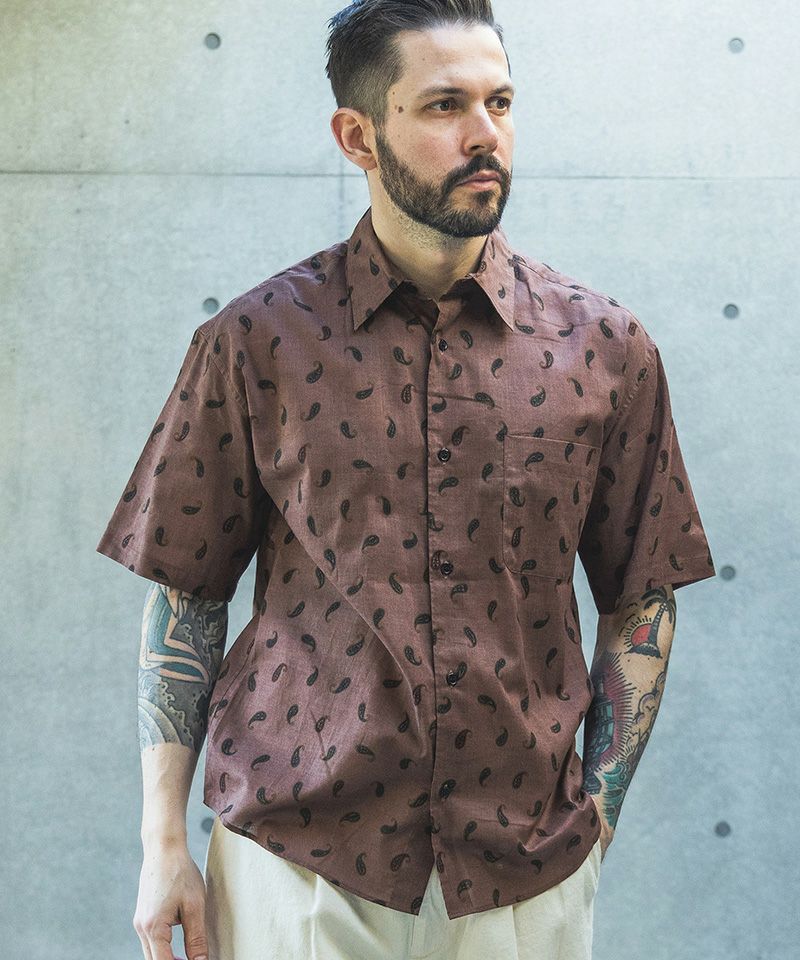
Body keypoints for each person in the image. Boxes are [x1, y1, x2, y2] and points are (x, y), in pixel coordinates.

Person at [96, 2, 717, 958]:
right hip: (299, 862)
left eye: (499, 102)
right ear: (358, 136)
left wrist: (598, 815)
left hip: (525, 871)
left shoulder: (605, 347)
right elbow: (187, 596)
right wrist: (163, 844)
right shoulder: (256, 341)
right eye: (443, 105)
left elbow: (642, 596)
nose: (484, 134)